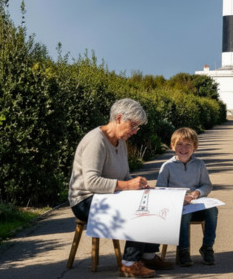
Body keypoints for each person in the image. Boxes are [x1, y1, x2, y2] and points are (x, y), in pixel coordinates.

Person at [68, 98, 174, 278]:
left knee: (152, 202)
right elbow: (91, 182)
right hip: (85, 200)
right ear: (118, 118)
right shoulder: (96, 141)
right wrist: (127, 185)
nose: (135, 132)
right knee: (139, 210)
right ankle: (129, 264)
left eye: (137, 127)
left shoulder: (121, 142)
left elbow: (124, 176)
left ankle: (147, 256)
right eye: (133, 126)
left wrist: (138, 185)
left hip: (108, 196)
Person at [156, 127, 218, 267]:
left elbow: (207, 185)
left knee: (213, 210)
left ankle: (207, 247)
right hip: (176, 209)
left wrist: (197, 193)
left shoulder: (199, 165)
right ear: (172, 146)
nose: (183, 148)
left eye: (188, 145)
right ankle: (183, 250)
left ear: (195, 148)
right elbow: (160, 190)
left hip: (196, 205)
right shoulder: (167, 167)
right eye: (179, 144)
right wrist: (178, 200)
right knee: (184, 215)